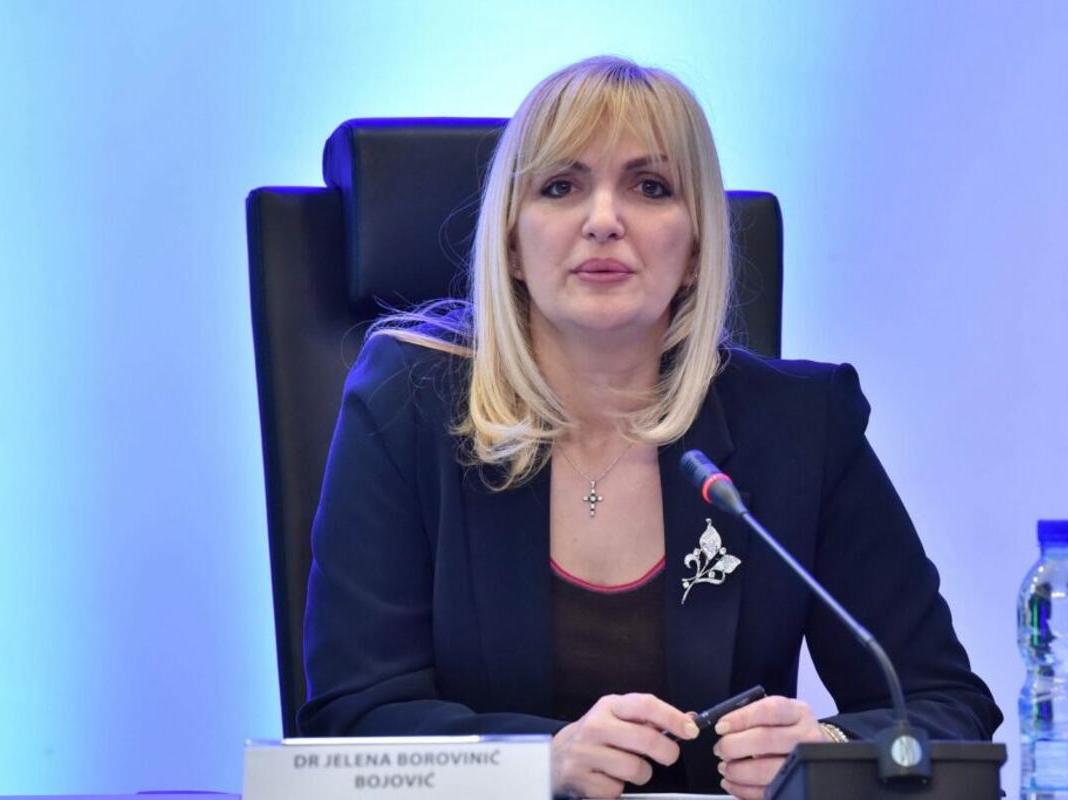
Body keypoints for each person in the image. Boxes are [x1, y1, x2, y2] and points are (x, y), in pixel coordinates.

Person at [299, 55, 1002, 799]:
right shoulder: (407, 405)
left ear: (696, 249)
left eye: (650, 187)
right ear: (510, 244)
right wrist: (540, 763)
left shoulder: (803, 427)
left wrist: (824, 752)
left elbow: (944, 709)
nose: (604, 220)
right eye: (561, 186)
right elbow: (353, 718)